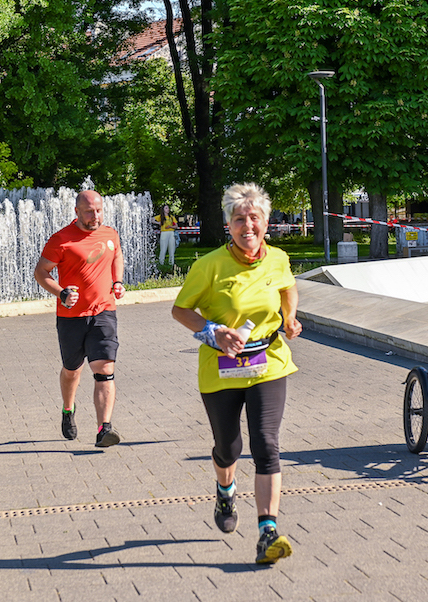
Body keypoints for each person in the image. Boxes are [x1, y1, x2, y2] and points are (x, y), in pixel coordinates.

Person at [171, 182, 302, 566]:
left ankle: (267, 532)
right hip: (221, 370)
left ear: (266, 222)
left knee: (266, 444)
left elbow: (288, 289)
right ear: (229, 223)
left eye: (255, 218)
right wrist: (214, 332)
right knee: (228, 448)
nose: (248, 226)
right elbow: (181, 310)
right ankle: (225, 490)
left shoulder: (277, 258)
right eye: (240, 219)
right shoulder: (208, 265)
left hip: (268, 363)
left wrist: (290, 318)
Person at [34, 190, 126, 448]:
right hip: (71, 317)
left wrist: (117, 281)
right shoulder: (61, 240)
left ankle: (104, 429)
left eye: (98, 210)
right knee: (72, 370)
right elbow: (41, 272)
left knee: (105, 370)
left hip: (103, 312)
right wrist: (61, 292)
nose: (95, 216)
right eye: (89, 211)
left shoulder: (110, 234)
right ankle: (67, 409)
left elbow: (116, 255)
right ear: (77, 212)